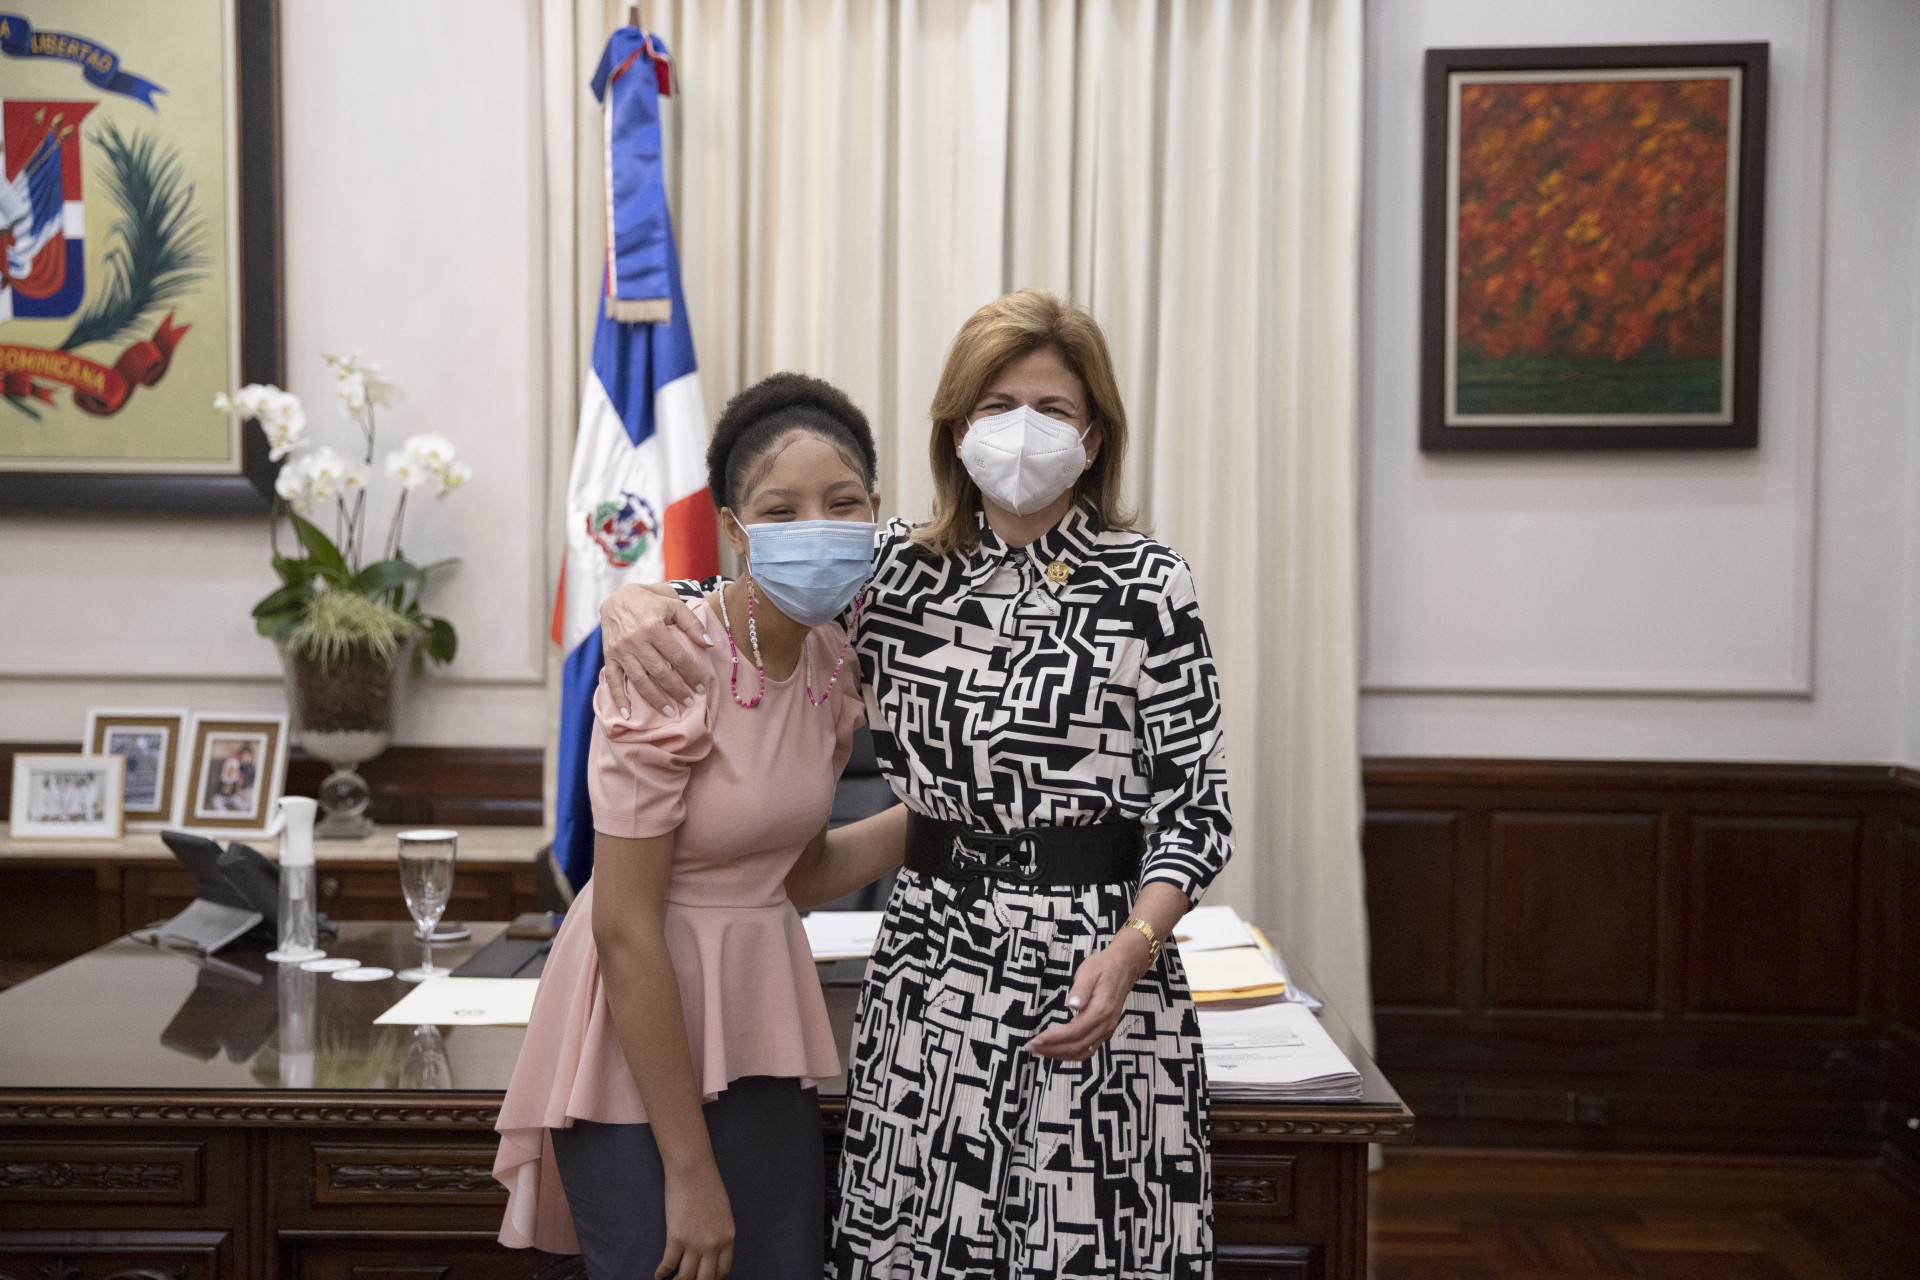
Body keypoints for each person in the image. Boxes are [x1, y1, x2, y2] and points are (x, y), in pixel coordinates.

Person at [599, 289, 1233, 1278]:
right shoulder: (894, 572)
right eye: (997, 405)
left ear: (1095, 435)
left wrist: (1134, 947)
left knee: (1094, 1245)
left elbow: (1197, 810)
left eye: (1053, 408)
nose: (1022, 428)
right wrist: (631, 600)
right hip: (934, 963)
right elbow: (739, 607)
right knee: (922, 1245)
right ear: (955, 430)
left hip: (1098, 964)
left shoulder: (1150, 584)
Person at [494, 373, 909, 1280]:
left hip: (759, 1017)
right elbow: (624, 927)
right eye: (781, 510)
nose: (816, 527)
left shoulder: (835, 660)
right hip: (640, 1035)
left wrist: (939, 820)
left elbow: (792, 877)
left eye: (842, 504)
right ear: (735, 528)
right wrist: (688, 1171)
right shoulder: (667, 660)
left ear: (875, 514)